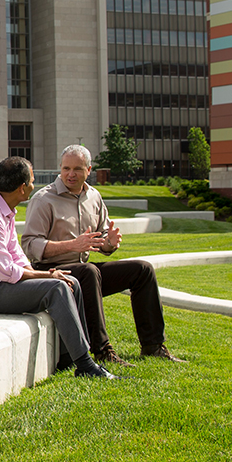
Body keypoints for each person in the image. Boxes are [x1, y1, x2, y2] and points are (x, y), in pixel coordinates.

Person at [0, 156, 119, 379]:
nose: (34, 185)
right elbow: (6, 271)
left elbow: (18, 256)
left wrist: (52, 276)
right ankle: (86, 366)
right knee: (57, 288)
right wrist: (49, 274)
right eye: (32, 181)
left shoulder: (5, 213)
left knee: (71, 282)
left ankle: (70, 359)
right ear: (23, 188)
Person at [20, 144, 185, 365]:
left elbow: (103, 236)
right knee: (89, 271)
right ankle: (103, 350)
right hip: (51, 272)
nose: (71, 174)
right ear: (60, 168)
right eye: (66, 168)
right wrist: (72, 245)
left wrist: (109, 244)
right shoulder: (43, 199)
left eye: (77, 169)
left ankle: (153, 346)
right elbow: (30, 244)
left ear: (89, 170)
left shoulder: (94, 197)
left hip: (85, 274)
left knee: (142, 269)